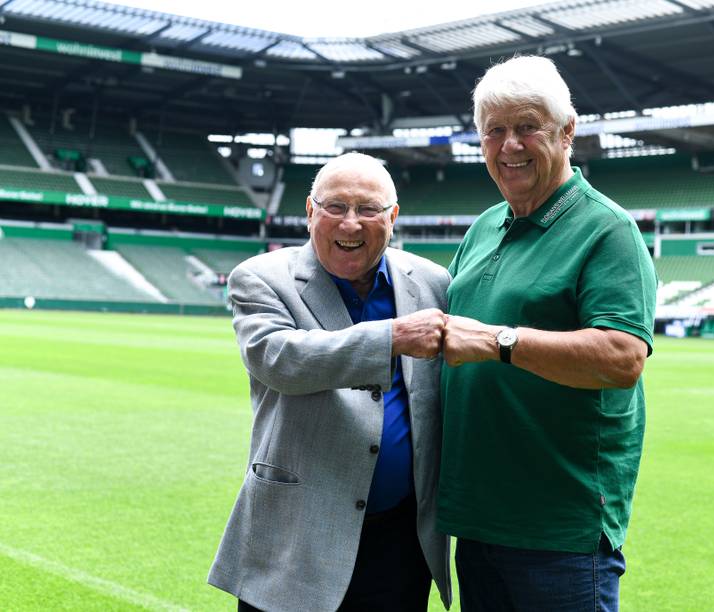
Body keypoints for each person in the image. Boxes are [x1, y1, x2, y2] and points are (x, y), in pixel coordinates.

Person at [438, 56, 657, 611]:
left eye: (527, 127)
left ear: (567, 132)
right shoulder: (484, 226)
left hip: (560, 532)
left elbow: (622, 356)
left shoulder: (607, 229)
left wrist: (499, 342)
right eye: (494, 131)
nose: (509, 145)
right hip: (477, 521)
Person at [208, 152, 452, 612]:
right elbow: (280, 359)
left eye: (368, 209)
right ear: (310, 211)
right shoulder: (260, 277)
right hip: (296, 537)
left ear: (393, 217)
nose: (350, 223)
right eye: (335, 207)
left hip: (400, 542)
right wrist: (392, 338)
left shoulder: (432, 281)